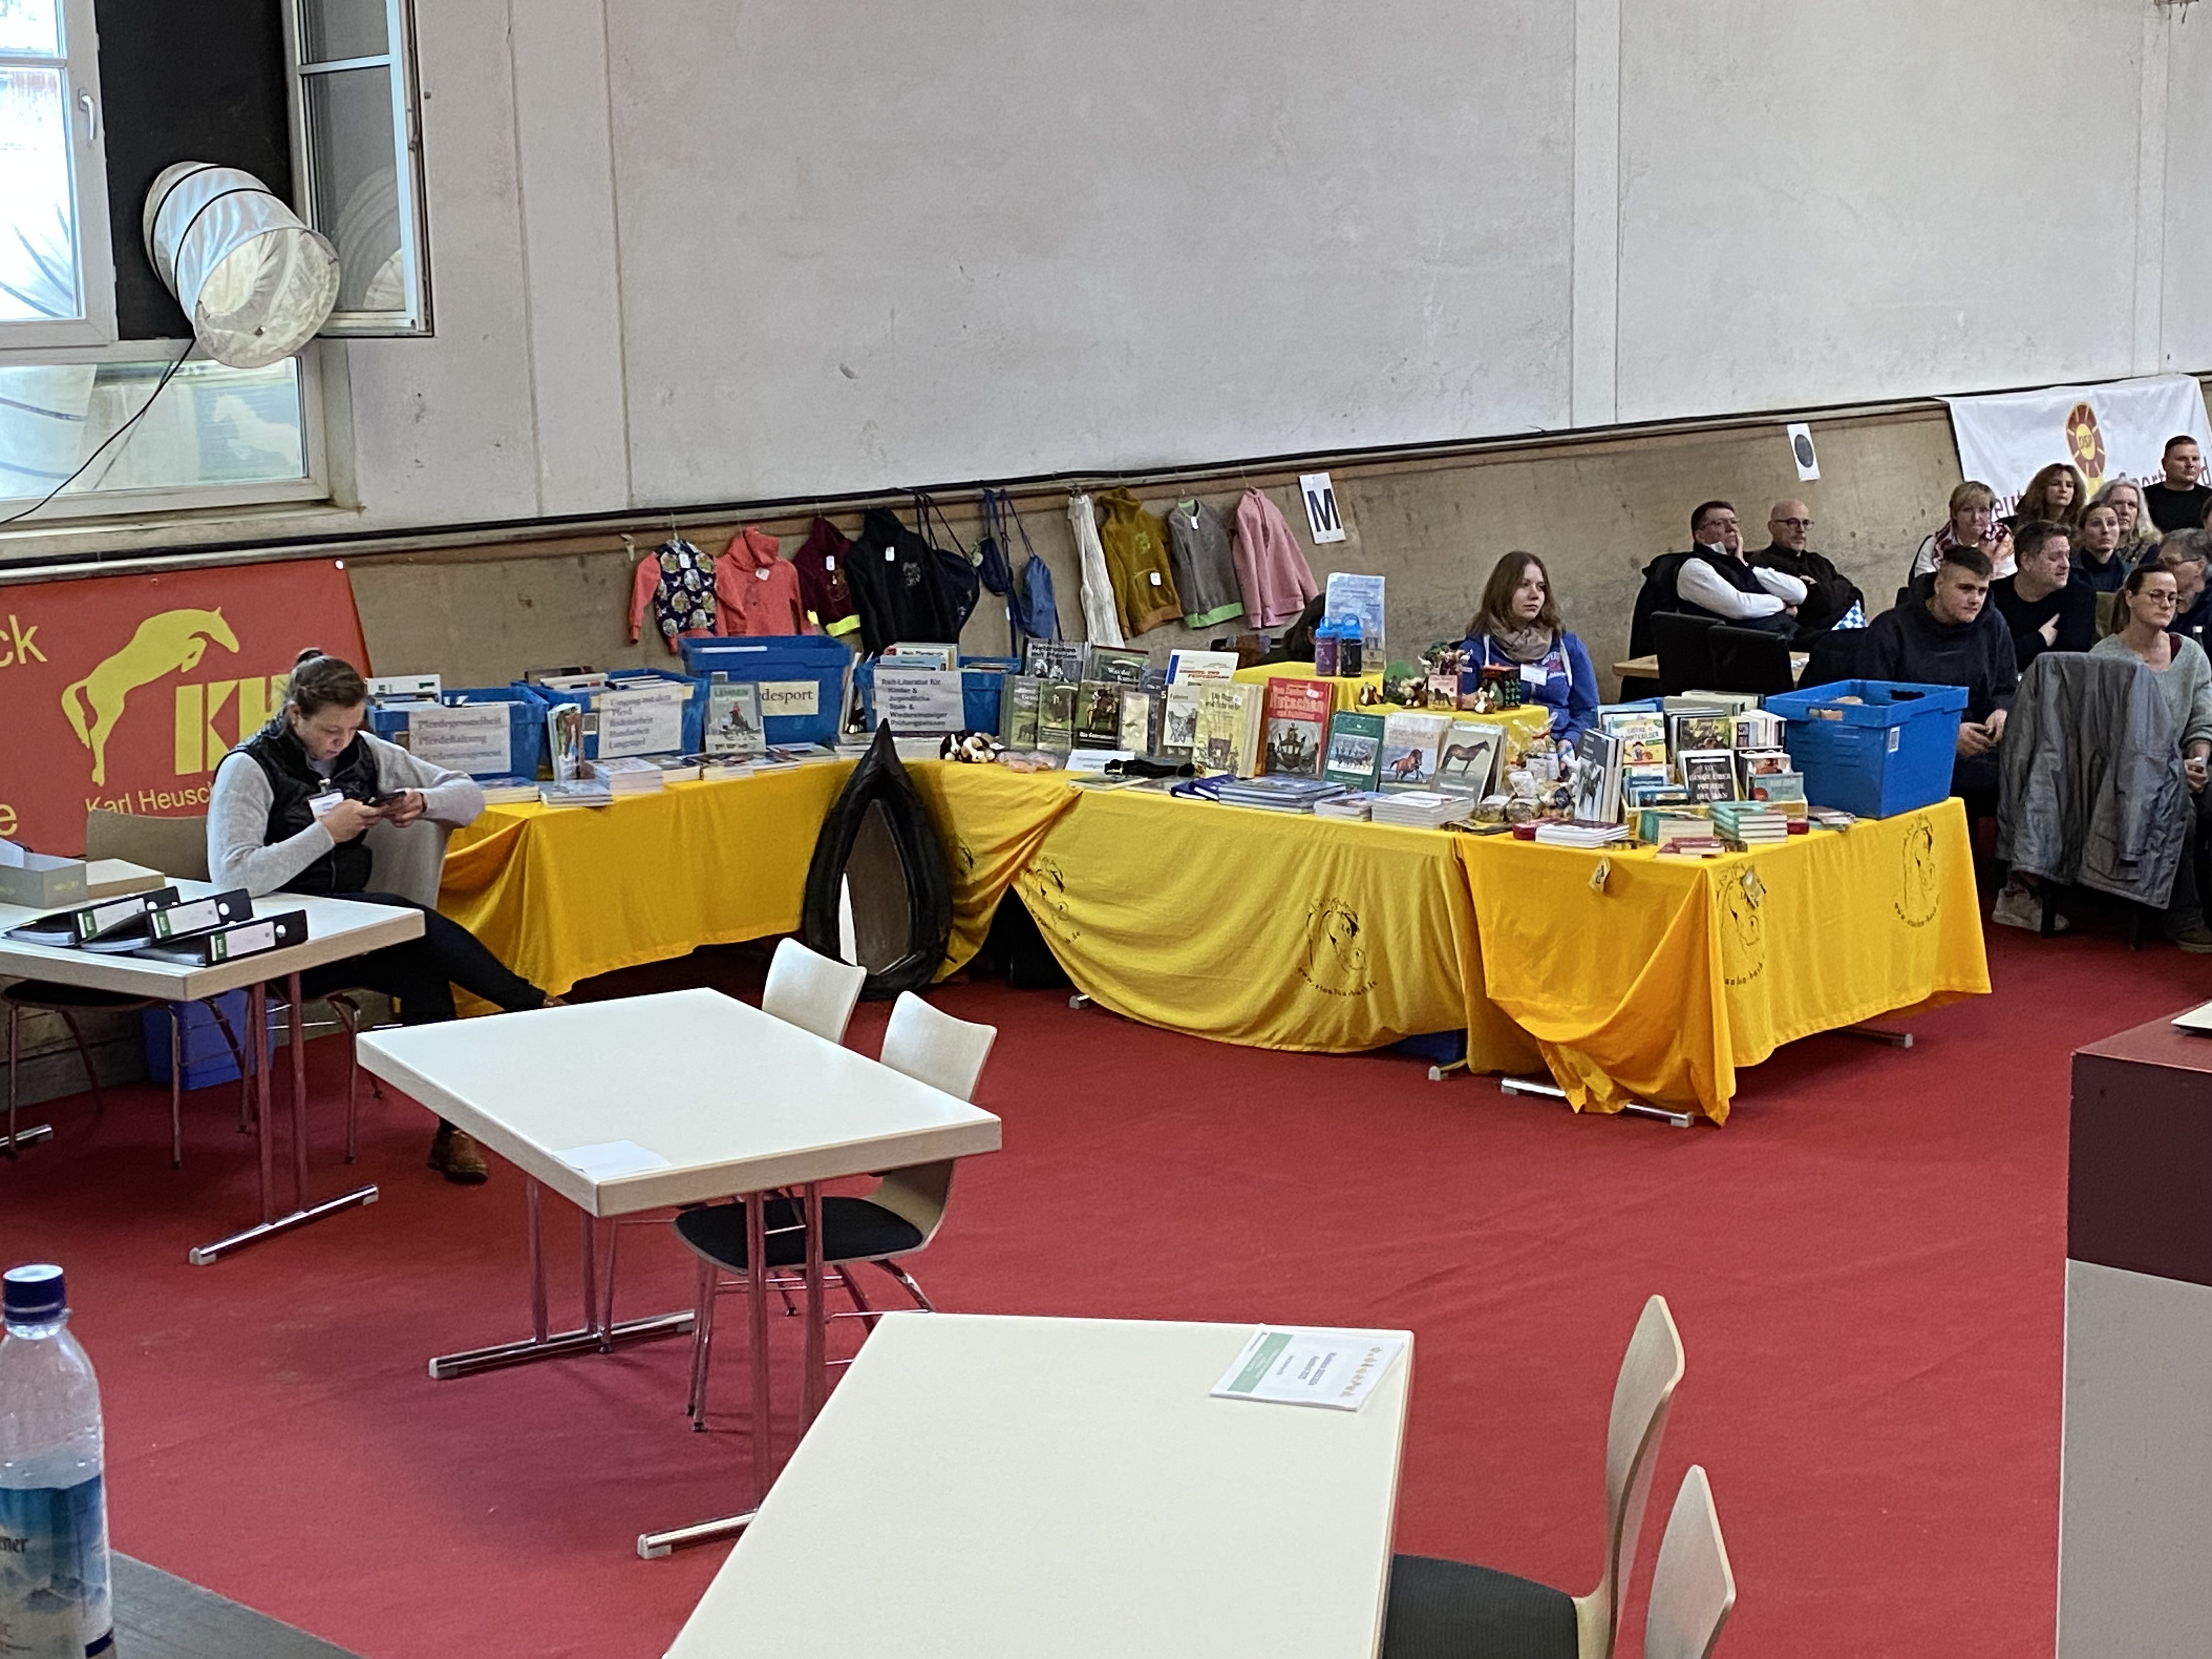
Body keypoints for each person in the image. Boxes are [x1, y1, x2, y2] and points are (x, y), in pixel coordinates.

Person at [208, 650, 558, 1183]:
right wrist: (325, 833)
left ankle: (452, 1128)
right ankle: (530, 1003)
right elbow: (233, 877)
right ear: (295, 714)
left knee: (423, 971)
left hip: (346, 925)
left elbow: (469, 797)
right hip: (277, 936)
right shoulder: (248, 768)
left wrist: (423, 800)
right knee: (405, 918)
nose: (342, 742)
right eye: (331, 731)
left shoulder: (365, 751)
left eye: (354, 727)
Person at [2090, 566, 2212, 950]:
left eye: (2172, 598)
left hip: (2184, 765)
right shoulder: (2104, 658)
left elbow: (2203, 721)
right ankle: (2184, 918)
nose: (2166, 604)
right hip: (2126, 774)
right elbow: (2103, 739)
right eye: (2156, 595)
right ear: (2130, 598)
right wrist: (2172, 771)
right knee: (2180, 812)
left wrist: (2198, 762)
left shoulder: (2191, 654)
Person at [1863, 546, 2015, 802]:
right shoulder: (1891, 629)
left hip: (1981, 743)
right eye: (1965, 589)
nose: (1976, 600)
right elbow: (1876, 708)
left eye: (1982, 591)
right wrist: (1945, 735)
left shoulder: (1993, 624)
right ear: (1938, 585)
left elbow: (2007, 687)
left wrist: (2002, 711)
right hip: (1911, 749)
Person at [1460, 550, 1599, 749]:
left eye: (1541, 587)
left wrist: (1569, 741)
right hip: (1502, 752)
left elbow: (1588, 711)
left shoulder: (1568, 646)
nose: (1535, 595)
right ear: (1502, 591)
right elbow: (1461, 716)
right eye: (1523, 585)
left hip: (1559, 750)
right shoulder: (1475, 651)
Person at [1635, 500, 1805, 641]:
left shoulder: (1743, 562)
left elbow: (1798, 593)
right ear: (1700, 536)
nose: (1732, 529)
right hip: (1747, 648)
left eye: (1734, 522)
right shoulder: (1694, 568)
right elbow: (1740, 607)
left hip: (1785, 635)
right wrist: (1783, 604)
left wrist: (1744, 565)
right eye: (1719, 524)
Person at [1990, 520, 2095, 669]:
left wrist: (2018, 647)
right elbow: (1990, 658)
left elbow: (2070, 661)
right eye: (2055, 557)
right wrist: (2039, 639)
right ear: (2027, 561)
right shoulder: (1993, 595)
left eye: (2068, 556)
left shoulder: (2079, 594)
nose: (2066, 565)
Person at [1751, 500, 1863, 635]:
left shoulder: (1819, 562)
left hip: (1848, 633)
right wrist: (1838, 591)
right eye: (1793, 522)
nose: (1801, 530)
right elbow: (1817, 605)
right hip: (1811, 640)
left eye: (1805, 523)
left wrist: (1821, 591)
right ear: (1773, 527)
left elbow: (1857, 596)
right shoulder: (1764, 565)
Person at [1909, 481, 2015, 582]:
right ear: (1954, 514)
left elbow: (2006, 585)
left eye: (1983, 510)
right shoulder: (1934, 546)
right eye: (1968, 510)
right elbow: (1923, 586)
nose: (1976, 518)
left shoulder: (2003, 542)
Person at [2143, 436, 2212, 532]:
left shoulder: (2210, 499)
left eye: (2195, 459)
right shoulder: (2144, 497)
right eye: (2182, 459)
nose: (2190, 464)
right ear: (2165, 464)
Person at [2155, 531, 2212, 647]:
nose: (2163, 569)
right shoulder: (2155, 601)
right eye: (2161, 563)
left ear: (2200, 567)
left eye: (2171, 562)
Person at [2090, 478, 2157, 567]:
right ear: (2101, 507)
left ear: (2139, 512)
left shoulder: (2150, 550)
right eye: (2118, 503)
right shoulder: (2082, 545)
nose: (2125, 511)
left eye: (2132, 505)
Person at [2071, 498, 2134, 594]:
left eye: (2111, 523)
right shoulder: (2067, 570)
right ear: (2082, 531)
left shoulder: (2130, 573)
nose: (2105, 530)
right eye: (2096, 524)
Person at [2007, 462, 2087, 537]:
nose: (2063, 490)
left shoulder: (2081, 527)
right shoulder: (2011, 525)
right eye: (2055, 484)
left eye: (2069, 485)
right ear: (2041, 489)